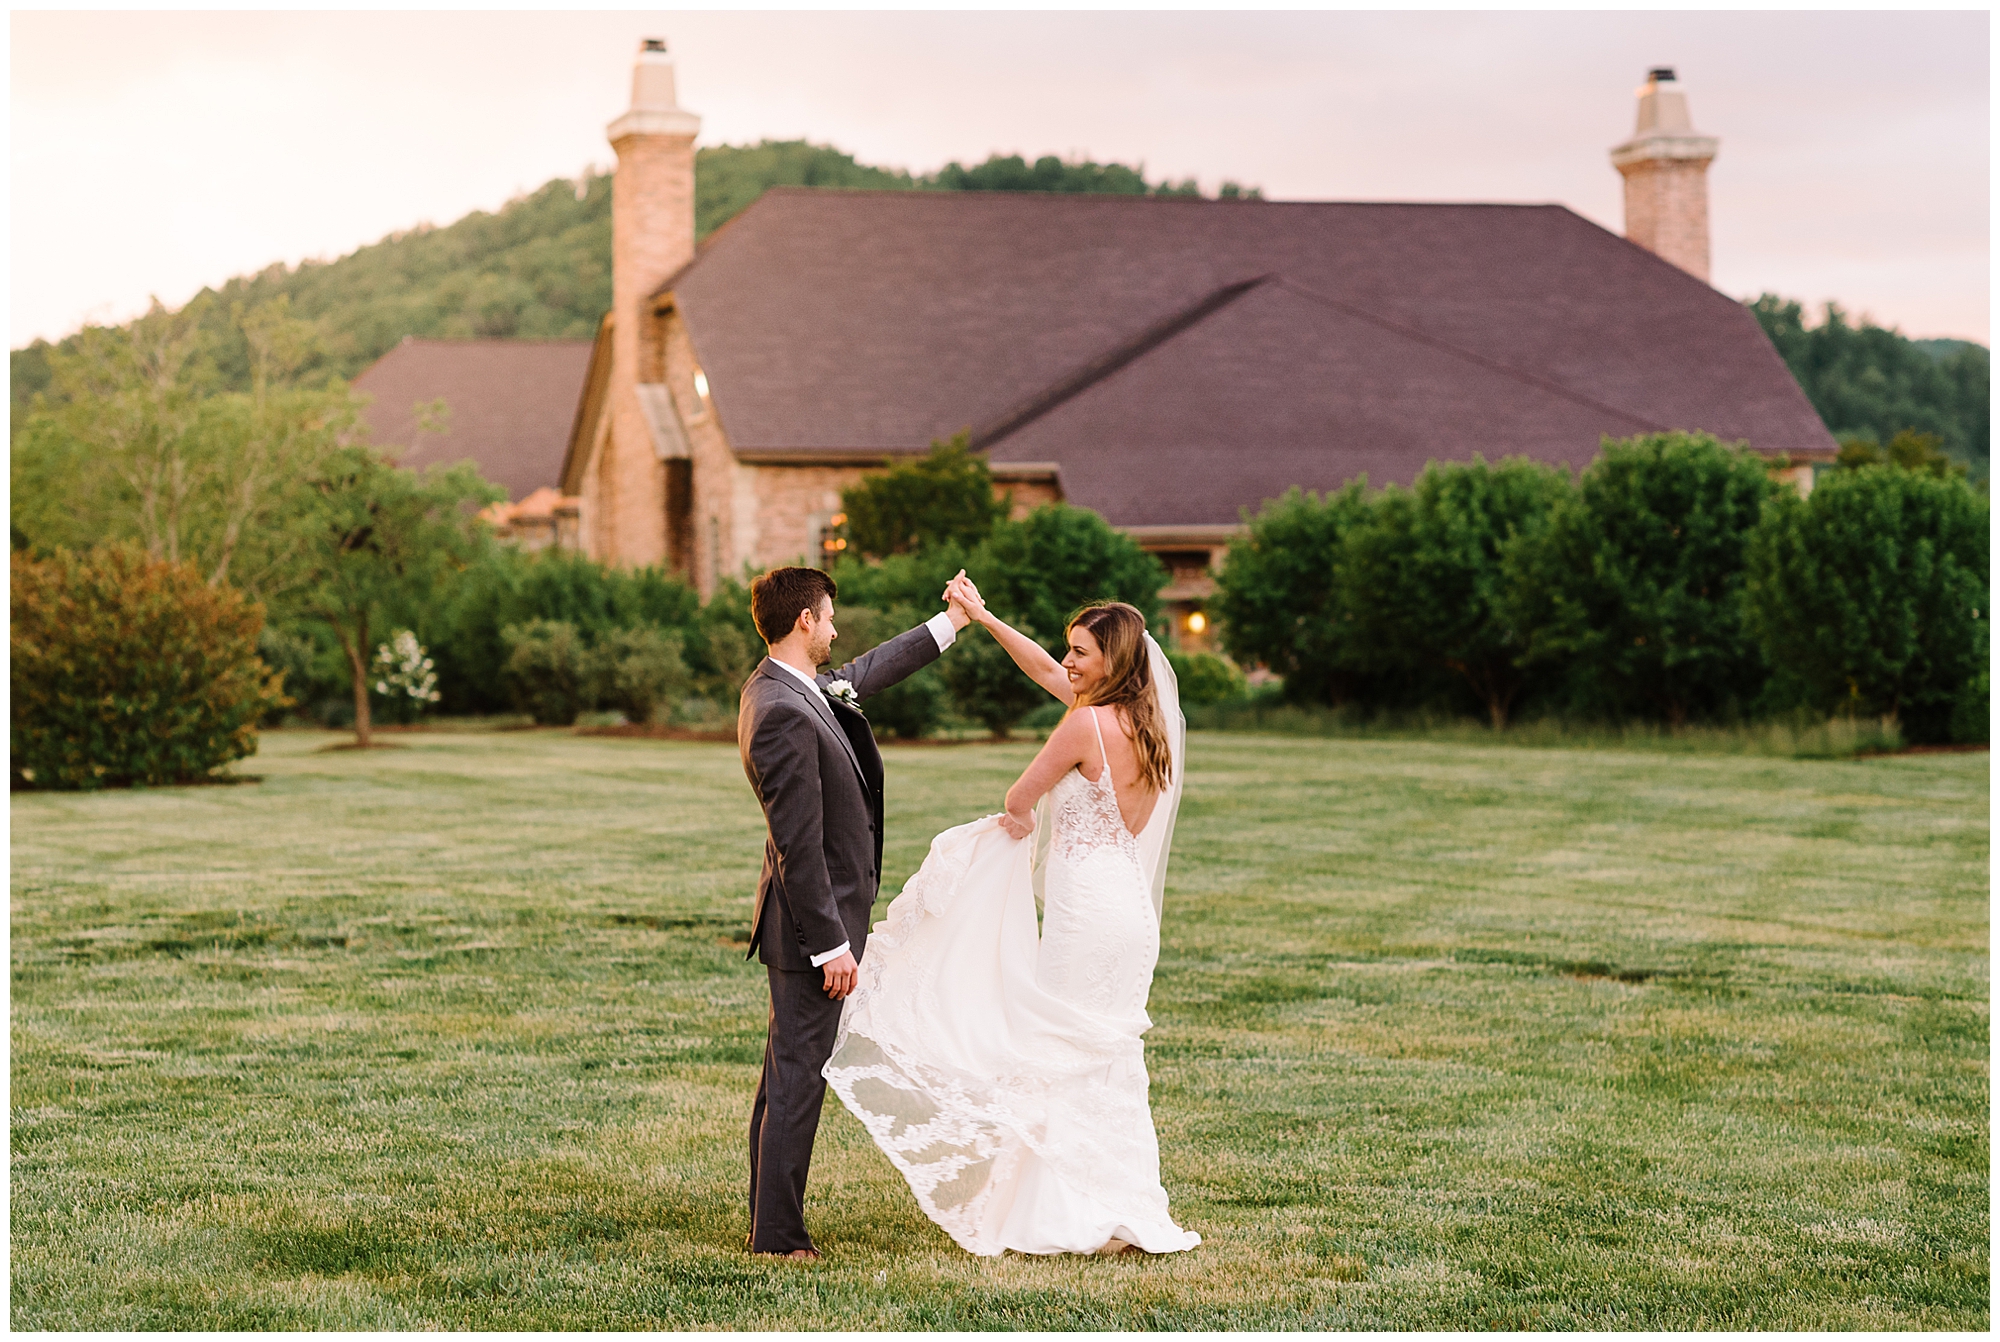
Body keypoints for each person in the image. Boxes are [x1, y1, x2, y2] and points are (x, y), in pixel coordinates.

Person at [824, 583, 1201, 1257]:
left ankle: (1066, 1215)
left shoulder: (1086, 723)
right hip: (1130, 915)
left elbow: (1020, 793)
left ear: (1110, 660)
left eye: (1081, 652)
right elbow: (1043, 671)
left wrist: (1019, 819)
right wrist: (987, 618)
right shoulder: (1148, 723)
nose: (1068, 661)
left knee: (1056, 1051)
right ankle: (1121, 1205)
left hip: (1084, 913)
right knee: (1106, 1052)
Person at [737, 564, 973, 1260]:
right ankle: (778, 1239)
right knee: (798, 1077)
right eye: (830, 617)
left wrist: (953, 624)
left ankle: (768, 1221)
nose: (837, 631)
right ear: (805, 620)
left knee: (787, 1074)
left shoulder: (796, 686)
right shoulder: (780, 710)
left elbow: (868, 670)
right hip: (813, 929)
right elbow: (797, 845)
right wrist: (829, 945)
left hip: (816, 924)